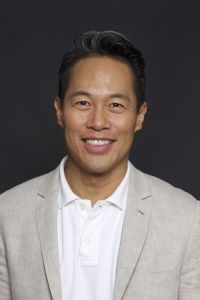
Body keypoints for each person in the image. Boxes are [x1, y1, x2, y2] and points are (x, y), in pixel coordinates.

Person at [0, 30, 199, 300]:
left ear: (139, 117)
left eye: (116, 105)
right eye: (83, 103)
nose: (98, 121)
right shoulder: (7, 215)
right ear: (59, 110)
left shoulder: (188, 219)